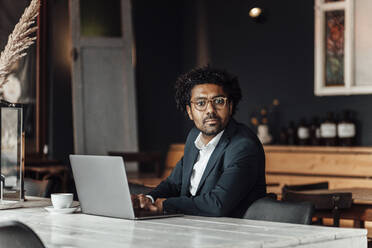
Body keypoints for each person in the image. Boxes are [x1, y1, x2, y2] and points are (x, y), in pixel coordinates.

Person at [133, 66, 266, 218]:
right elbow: (173, 184)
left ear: (230, 106)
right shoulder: (194, 136)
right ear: (190, 111)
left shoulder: (243, 146)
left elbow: (217, 204)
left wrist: (163, 205)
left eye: (218, 101)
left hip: (231, 232)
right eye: (201, 103)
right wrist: (148, 199)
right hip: (193, 225)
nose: (210, 110)